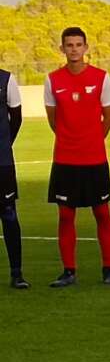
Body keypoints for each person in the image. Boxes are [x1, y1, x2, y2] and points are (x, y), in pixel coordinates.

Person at [45, 27, 110, 288]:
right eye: (69, 45)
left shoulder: (101, 77)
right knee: (66, 216)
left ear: (86, 48)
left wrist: (93, 140)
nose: (74, 49)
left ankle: (108, 269)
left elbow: (108, 116)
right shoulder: (52, 80)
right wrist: (71, 140)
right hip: (65, 160)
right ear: (62, 48)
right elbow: (53, 120)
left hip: (94, 159)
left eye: (78, 44)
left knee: (102, 212)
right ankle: (69, 271)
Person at [0, 67, 27, 289]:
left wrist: (5, 144)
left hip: (2, 163)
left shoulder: (6, 79)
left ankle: (16, 273)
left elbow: (16, 117)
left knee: (9, 214)